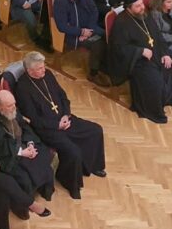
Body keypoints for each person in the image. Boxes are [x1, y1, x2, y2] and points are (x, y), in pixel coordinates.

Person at [15, 51, 107, 195]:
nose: (44, 70)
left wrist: (66, 114)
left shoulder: (48, 75)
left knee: (95, 130)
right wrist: (56, 125)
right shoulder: (22, 88)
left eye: (43, 66)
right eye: (39, 69)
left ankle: (93, 165)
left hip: (65, 119)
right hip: (47, 129)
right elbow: (33, 119)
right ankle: (70, 183)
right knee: (73, 151)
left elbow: (62, 96)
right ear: (30, 71)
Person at [109, 0, 172, 123]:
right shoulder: (121, 23)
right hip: (138, 61)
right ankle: (153, 110)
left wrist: (165, 54)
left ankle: (168, 100)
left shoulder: (145, 15)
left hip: (156, 53)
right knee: (155, 81)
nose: (142, 7)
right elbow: (118, 49)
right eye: (137, 6)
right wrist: (140, 51)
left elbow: (158, 37)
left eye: (141, 4)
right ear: (128, 8)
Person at [54, 0, 108, 86]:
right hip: (74, 35)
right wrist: (81, 32)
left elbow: (94, 11)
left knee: (107, 36)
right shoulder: (60, 2)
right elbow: (61, 26)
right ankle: (93, 74)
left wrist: (89, 29)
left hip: (90, 27)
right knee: (97, 44)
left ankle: (103, 67)